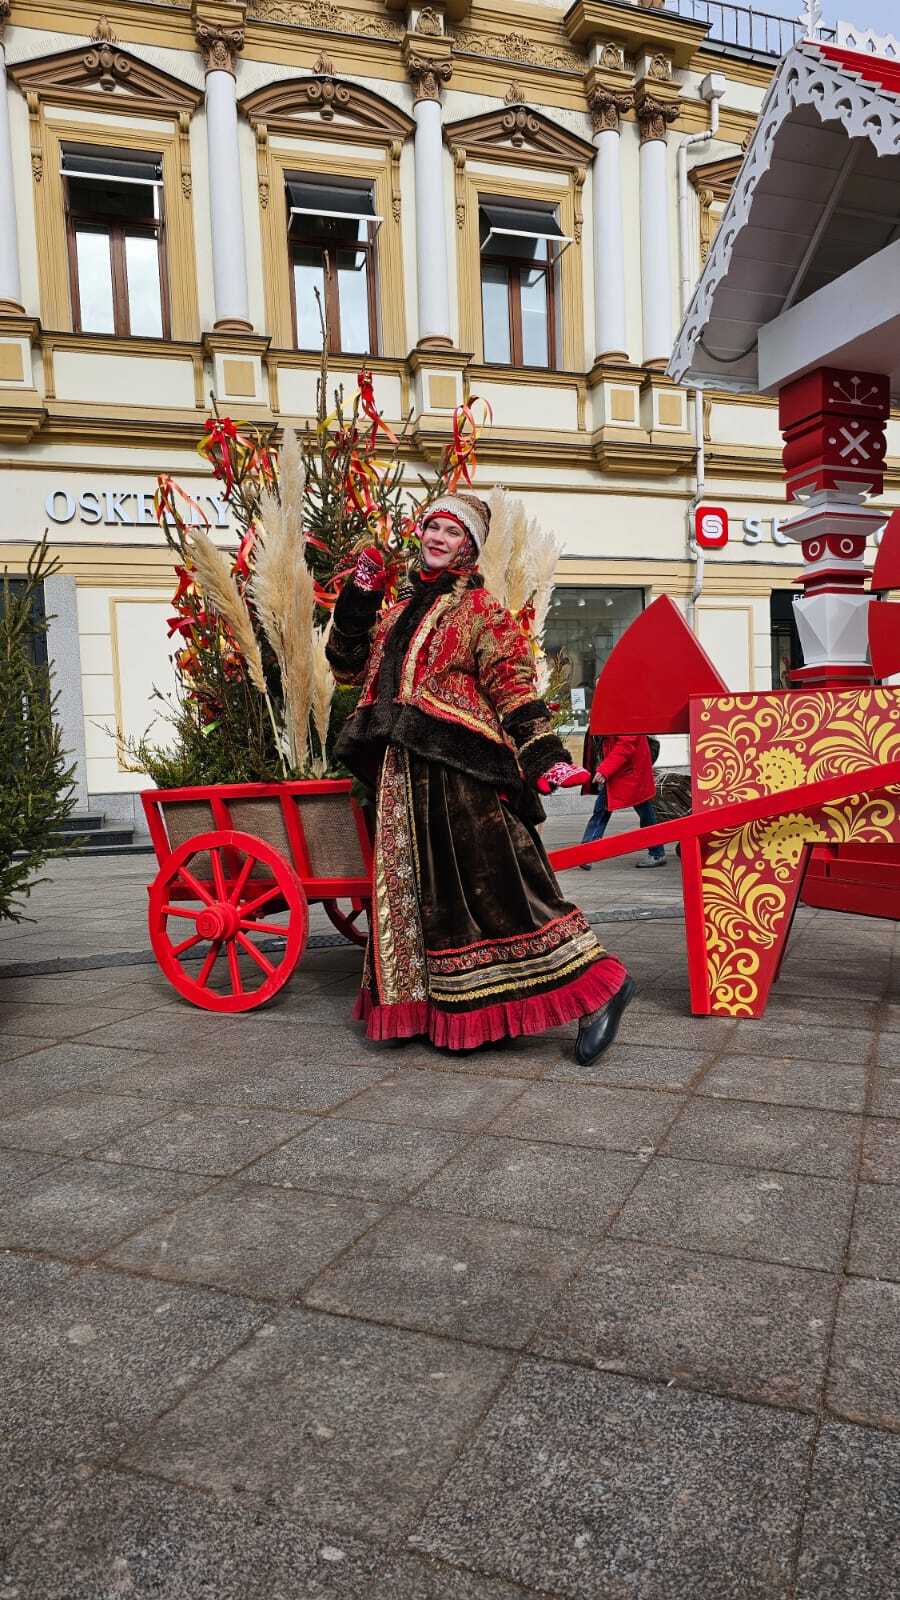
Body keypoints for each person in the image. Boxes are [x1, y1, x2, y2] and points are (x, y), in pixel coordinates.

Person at [326, 492, 634, 1065]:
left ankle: (604, 987)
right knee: (423, 902)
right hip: (402, 771)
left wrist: (546, 758)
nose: (437, 538)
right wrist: (361, 596)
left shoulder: (481, 612)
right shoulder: (395, 614)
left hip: (461, 770)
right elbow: (346, 666)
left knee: (504, 893)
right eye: (432, 527)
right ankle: (458, 1012)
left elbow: (513, 684)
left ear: (469, 545)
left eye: (452, 531)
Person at [579, 733, 666, 869]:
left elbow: (626, 744)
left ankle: (587, 853)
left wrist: (604, 770)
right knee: (605, 810)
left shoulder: (624, 715)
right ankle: (657, 852)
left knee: (643, 811)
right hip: (623, 771)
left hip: (629, 772)